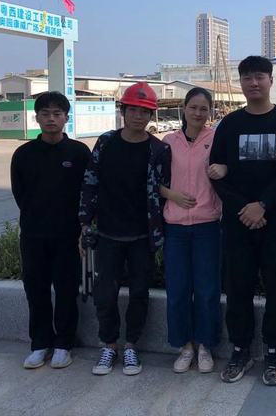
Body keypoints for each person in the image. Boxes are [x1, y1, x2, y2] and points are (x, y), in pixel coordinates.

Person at [209, 55, 276, 386]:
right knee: (238, 288)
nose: (253, 83)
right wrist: (245, 208)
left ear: (270, 81)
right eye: (247, 77)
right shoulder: (230, 124)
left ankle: (275, 352)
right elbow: (216, 172)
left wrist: (263, 205)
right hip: (239, 223)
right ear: (241, 83)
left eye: (259, 77)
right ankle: (240, 350)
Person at [78, 81, 170, 377]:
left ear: (151, 116)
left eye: (145, 112)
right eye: (134, 110)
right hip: (108, 234)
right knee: (105, 293)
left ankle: (131, 346)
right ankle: (109, 345)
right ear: (123, 111)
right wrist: (84, 223)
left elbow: (163, 191)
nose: (139, 117)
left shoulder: (159, 150)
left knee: (140, 292)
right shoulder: (106, 143)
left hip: (143, 236)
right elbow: (90, 182)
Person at [10, 91, 91, 370]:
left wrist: (83, 228)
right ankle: (40, 344)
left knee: (67, 290)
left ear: (66, 118)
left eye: (57, 113)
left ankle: (64, 345)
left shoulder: (79, 153)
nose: (51, 119)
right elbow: (19, 193)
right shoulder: (23, 154)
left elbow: (87, 193)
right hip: (33, 235)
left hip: (68, 236)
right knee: (36, 290)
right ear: (37, 118)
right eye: (45, 114)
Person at [160, 87, 227, 374]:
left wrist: (224, 169)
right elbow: (153, 181)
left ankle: (205, 346)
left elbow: (230, 170)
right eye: (193, 107)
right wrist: (171, 195)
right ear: (184, 109)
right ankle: (185, 346)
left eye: (204, 108)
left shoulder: (217, 139)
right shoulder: (168, 142)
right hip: (175, 227)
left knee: (207, 290)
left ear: (210, 112)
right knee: (177, 290)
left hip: (207, 225)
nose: (198, 113)